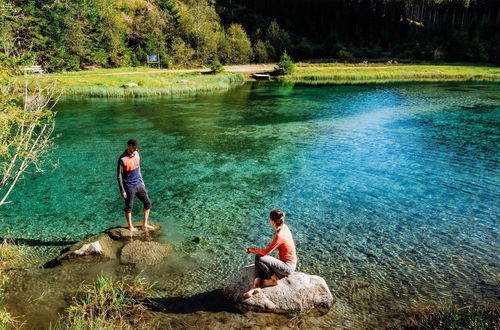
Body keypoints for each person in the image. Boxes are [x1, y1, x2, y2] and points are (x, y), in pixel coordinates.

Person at [243, 209, 297, 298]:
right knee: (260, 260)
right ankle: (256, 286)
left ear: (272, 221)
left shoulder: (279, 236)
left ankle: (274, 280)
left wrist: (251, 250)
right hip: (289, 264)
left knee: (259, 257)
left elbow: (266, 252)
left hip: (288, 267)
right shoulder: (285, 227)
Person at [117, 139, 153, 232]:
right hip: (129, 186)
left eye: (137, 147)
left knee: (148, 202)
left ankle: (144, 224)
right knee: (129, 207)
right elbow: (119, 177)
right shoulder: (122, 159)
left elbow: (138, 168)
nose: (136, 149)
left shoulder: (137, 154)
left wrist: (142, 181)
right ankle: (130, 226)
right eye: (134, 147)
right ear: (129, 146)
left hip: (138, 184)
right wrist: (122, 190)